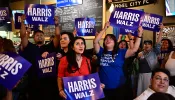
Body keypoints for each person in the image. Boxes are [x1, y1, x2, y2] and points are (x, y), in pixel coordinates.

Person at [93, 21, 143, 100]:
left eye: (111, 39)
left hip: (118, 88)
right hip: (102, 88)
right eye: (106, 39)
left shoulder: (121, 52)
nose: (108, 40)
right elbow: (95, 41)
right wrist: (105, 28)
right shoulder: (101, 51)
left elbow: (134, 49)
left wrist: (139, 35)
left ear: (115, 42)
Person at [19, 14, 60, 100]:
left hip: (48, 82)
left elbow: (57, 36)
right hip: (33, 81)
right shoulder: (29, 46)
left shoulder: (50, 46)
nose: (39, 36)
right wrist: (22, 22)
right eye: (37, 35)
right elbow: (23, 36)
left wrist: (56, 24)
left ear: (44, 37)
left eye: (41, 35)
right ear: (33, 38)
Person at [137, 23, 164, 96]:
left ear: (151, 46)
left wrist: (161, 30)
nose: (147, 45)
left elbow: (158, 43)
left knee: (149, 93)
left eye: (149, 44)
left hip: (150, 75)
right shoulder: (140, 53)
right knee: (141, 94)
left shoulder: (154, 52)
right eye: (145, 44)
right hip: (140, 75)